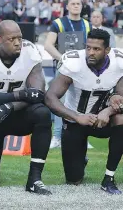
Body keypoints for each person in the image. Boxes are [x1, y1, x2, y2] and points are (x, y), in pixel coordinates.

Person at [0, 20, 52, 195]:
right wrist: (20, 95)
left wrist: (10, 105)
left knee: (43, 113)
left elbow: (37, 94)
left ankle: (35, 178)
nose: (17, 43)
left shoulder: (30, 51)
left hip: (18, 114)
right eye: (11, 39)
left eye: (20, 38)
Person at [45, 29, 123, 194]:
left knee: (121, 117)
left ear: (107, 50)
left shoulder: (118, 62)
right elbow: (50, 97)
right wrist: (77, 117)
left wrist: (108, 111)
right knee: (74, 179)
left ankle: (109, 177)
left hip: (102, 120)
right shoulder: (74, 63)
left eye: (96, 49)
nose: (91, 52)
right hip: (75, 121)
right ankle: (80, 159)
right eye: (88, 48)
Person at [44, 0, 92, 150]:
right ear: (67, 6)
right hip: (64, 69)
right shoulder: (58, 23)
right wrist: (62, 58)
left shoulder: (87, 24)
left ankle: (84, 136)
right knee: (60, 102)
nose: (76, 6)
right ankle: (57, 136)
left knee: (83, 103)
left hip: (82, 68)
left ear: (81, 5)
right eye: (73, 4)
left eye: (78, 4)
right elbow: (48, 45)